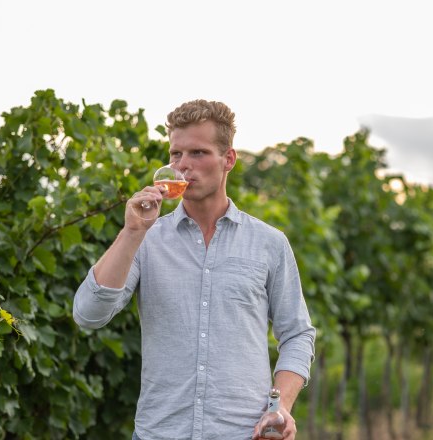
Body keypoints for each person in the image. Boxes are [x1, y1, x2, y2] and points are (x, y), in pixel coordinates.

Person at [73, 99, 316, 440]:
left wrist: (281, 405)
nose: (183, 166)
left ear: (228, 159)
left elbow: (297, 334)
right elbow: (88, 314)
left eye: (198, 153)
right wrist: (131, 233)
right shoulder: (145, 239)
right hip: (160, 433)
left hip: (243, 434)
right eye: (176, 155)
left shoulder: (269, 243)